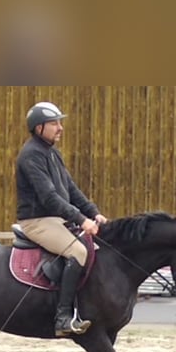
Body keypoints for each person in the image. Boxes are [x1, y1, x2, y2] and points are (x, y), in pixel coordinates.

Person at [16, 102, 108, 337]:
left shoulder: (52, 152)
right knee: (78, 252)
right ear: (39, 128)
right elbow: (49, 198)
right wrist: (80, 218)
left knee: (94, 247)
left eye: (60, 122)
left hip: (55, 219)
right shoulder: (30, 156)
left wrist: (92, 212)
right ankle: (63, 318)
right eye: (54, 123)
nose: (60, 128)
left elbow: (70, 189)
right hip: (38, 221)